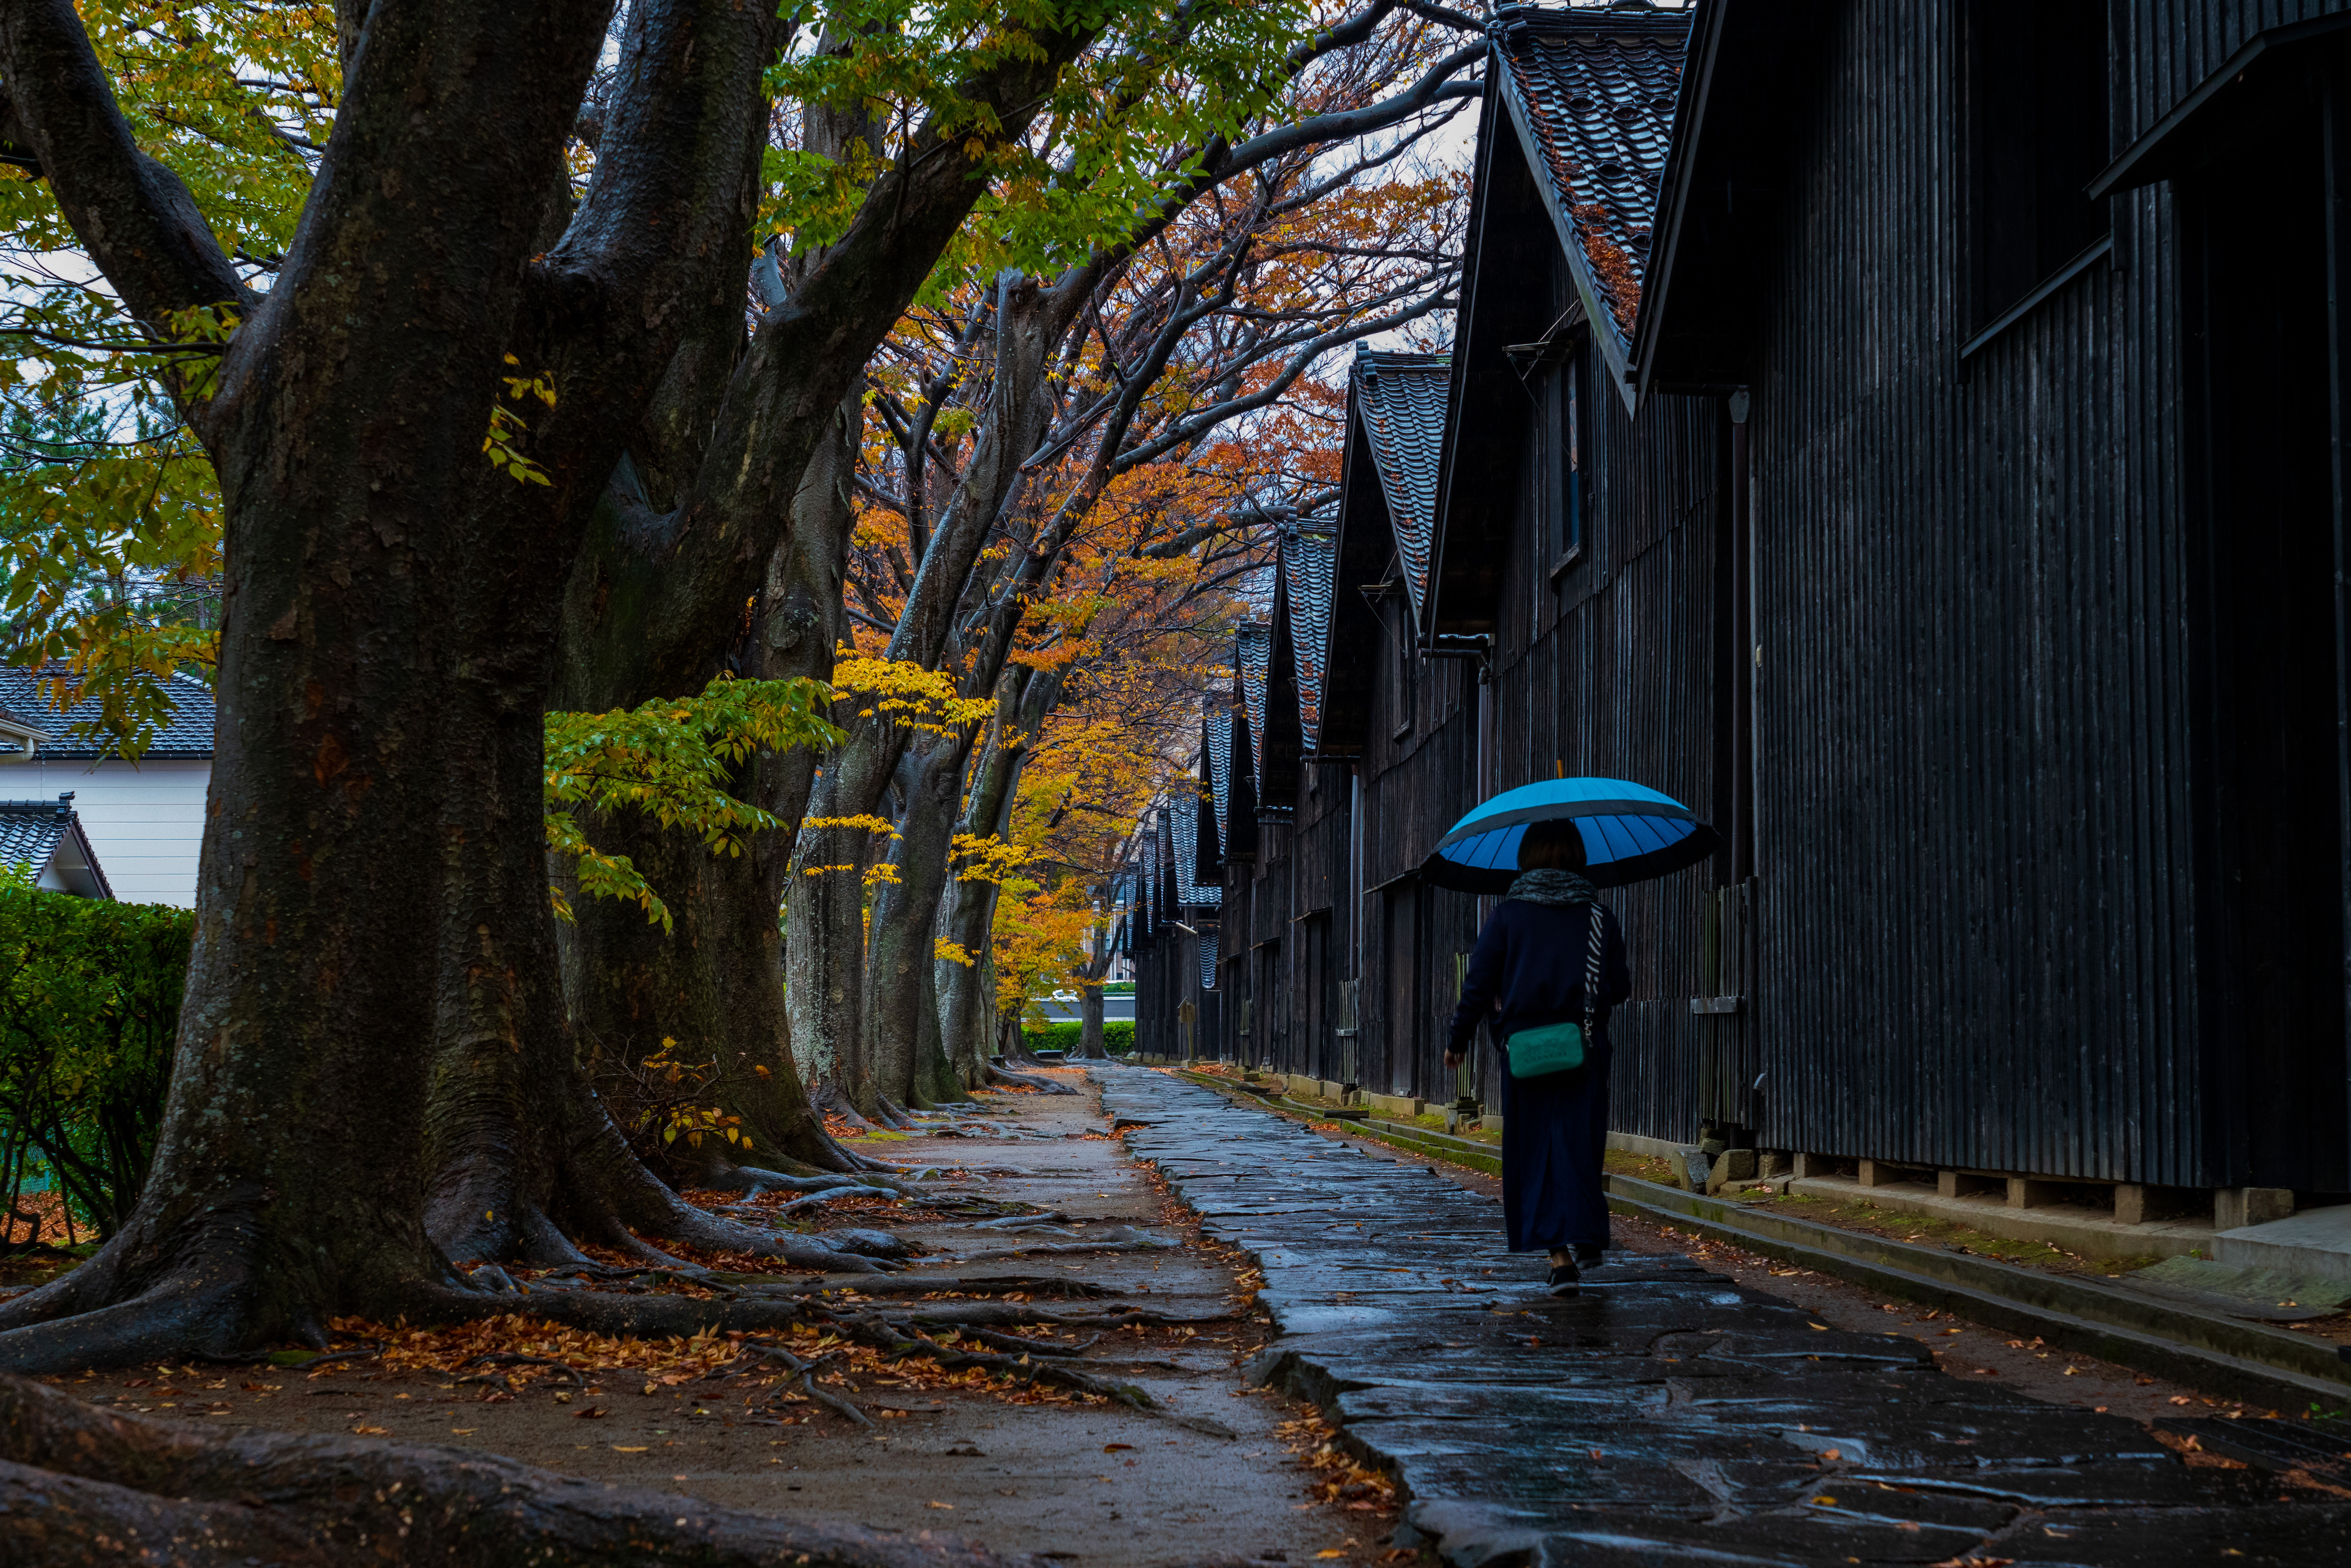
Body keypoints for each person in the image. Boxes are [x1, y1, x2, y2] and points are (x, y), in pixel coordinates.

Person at [1443, 818, 1630, 1296]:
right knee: (1579, 1145)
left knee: (1533, 1151)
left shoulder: (1508, 917)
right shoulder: (1598, 918)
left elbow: (1478, 984)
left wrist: (1458, 1039)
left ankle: (1560, 1260)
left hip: (1524, 1049)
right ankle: (1586, 1231)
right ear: (1577, 858)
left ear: (1525, 858)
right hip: (1582, 1047)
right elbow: (1620, 988)